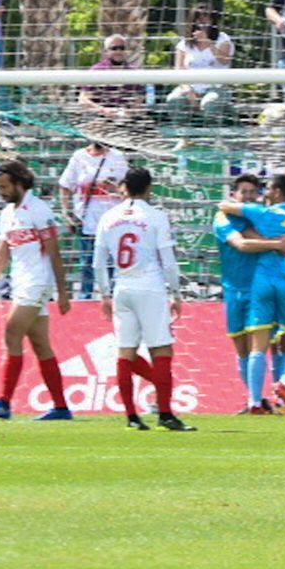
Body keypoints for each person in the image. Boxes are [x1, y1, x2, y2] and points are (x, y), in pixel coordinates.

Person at [94, 166, 196, 431]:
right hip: (150, 286)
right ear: (149, 188)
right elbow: (169, 261)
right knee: (161, 349)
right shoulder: (157, 217)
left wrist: (104, 294)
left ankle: (131, 417)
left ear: (124, 186)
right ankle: (165, 415)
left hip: (122, 287)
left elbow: (97, 263)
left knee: (125, 352)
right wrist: (176, 293)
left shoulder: (108, 217)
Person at [0, 160, 73, 421]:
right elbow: (2, 252)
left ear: (19, 183)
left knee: (11, 332)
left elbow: (54, 252)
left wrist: (62, 291)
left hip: (38, 282)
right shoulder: (7, 214)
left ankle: (4, 403)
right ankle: (61, 407)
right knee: (41, 345)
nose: (1, 192)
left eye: (5, 186)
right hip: (21, 282)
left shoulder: (39, 210)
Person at [218, 174, 285, 415]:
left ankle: (256, 401)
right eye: (243, 191)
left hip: (262, 282)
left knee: (259, 344)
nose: (260, 194)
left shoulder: (262, 213)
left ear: (274, 191)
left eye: (263, 190)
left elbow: (224, 205)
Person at [58, 140, 129, 299]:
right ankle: (86, 297)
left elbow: (128, 187)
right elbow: (65, 185)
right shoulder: (79, 156)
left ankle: (113, 297)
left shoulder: (117, 156)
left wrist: (114, 185)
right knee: (87, 263)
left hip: (114, 221)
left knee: (112, 263)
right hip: (87, 220)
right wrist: (67, 214)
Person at [166, 3, 235, 124]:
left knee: (209, 104)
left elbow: (224, 60)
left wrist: (208, 42)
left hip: (216, 87)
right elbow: (179, 70)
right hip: (191, 87)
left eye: (206, 17)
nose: (202, 21)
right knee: (174, 100)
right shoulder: (184, 44)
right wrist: (188, 90)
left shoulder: (223, 39)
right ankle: (184, 138)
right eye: (199, 18)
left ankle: (212, 139)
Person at [78, 34, 144, 119]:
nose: (118, 51)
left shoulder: (134, 72)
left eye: (122, 48)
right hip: (100, 118)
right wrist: (103, 110)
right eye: (114, 48)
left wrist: (129, 112)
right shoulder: (97, 71)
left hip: (128, 119)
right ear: (106, 51)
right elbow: (83, 100)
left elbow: (139, 99)